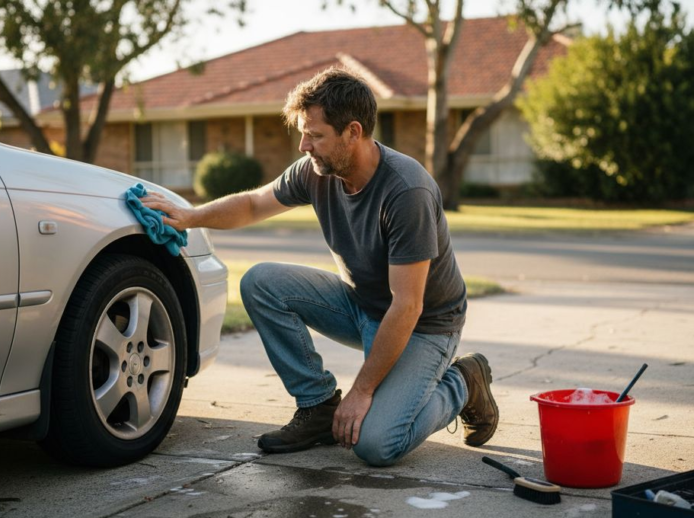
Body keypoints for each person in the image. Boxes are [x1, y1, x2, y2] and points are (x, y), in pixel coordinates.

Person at [142, 67, 497, 467]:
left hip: (424, 325)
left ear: (353, 132)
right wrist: (188, 216)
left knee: (377, 444)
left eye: (315, 135)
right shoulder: (316, 171)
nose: (302, 145)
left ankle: (462, 382)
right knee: (262, 282)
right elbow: (255, 203)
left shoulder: (406, 191)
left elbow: (408, 306)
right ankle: (318, 406)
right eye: (303, 132)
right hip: (362, 306)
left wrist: (362, 391)